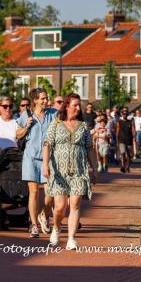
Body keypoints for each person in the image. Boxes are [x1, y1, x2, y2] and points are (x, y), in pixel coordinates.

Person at [42, 93, 96, 249]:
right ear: (66, 106)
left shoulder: (83, 126)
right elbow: (47, 145)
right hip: (59, 172)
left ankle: (71, 238)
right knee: (60, 206)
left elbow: (89, 148)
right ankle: (56, 228)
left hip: (79, 171)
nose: (79, 108)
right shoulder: (56, 124)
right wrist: (45, 165)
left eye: (79, 105)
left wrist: (94, 168)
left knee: (75, 204)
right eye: (75, 105)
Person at [16, 88, 57, 238]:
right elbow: (17, 134)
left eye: (46, 98)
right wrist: (27, 125)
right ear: (35, 100)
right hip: (30, 158)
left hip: (48, 159)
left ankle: (43, 214)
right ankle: (34, 225)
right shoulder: (26, 115)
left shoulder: (53, 114)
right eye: (43, 99)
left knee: (51, 192)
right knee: (33, 193)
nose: (46, 101)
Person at [116, 107, 135, 173]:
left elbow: (133, 130)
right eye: (123, 113)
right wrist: (116, 141)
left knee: (129, 156)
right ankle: (123, 166)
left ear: (127, 114)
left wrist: (134, 139)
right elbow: (117, 131)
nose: (124, 114)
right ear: (122, 114)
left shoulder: (130, 122)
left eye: (125, 113)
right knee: (123, 153)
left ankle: (127, 167)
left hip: (129, 140)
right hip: (121, 140)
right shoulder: (119, 122)